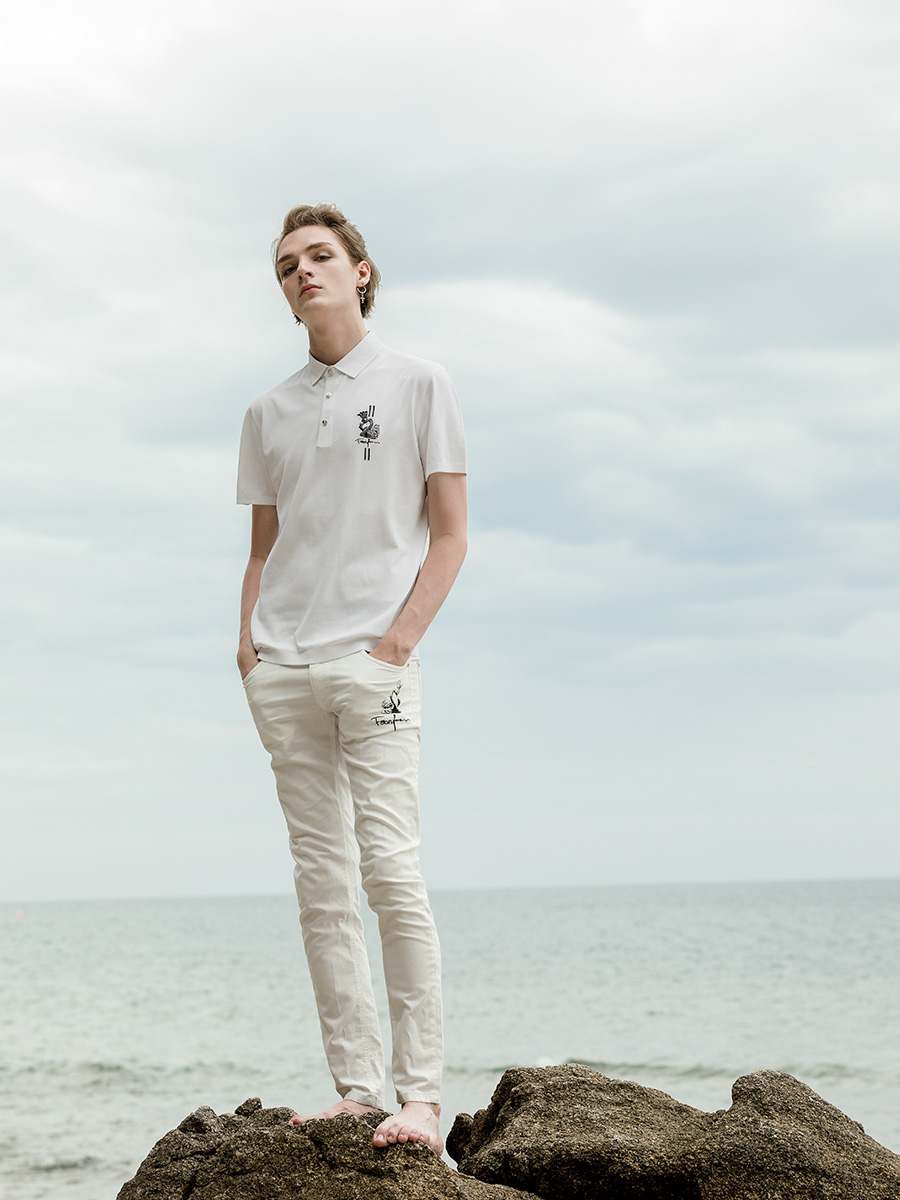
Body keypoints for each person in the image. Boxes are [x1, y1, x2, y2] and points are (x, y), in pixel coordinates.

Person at [236, 204, 467, 1155]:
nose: (304, 272)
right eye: (287, 265)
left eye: (321, 255)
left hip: (375, 666)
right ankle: (356, 1089)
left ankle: (421, 1098)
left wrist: (396, 646)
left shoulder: (419, 384)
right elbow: (263, 547)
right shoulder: (267, 412)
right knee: (320, 886)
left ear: (361, 271)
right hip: (283, 668)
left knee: (392, 874)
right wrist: (249, 647)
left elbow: (450, 536)